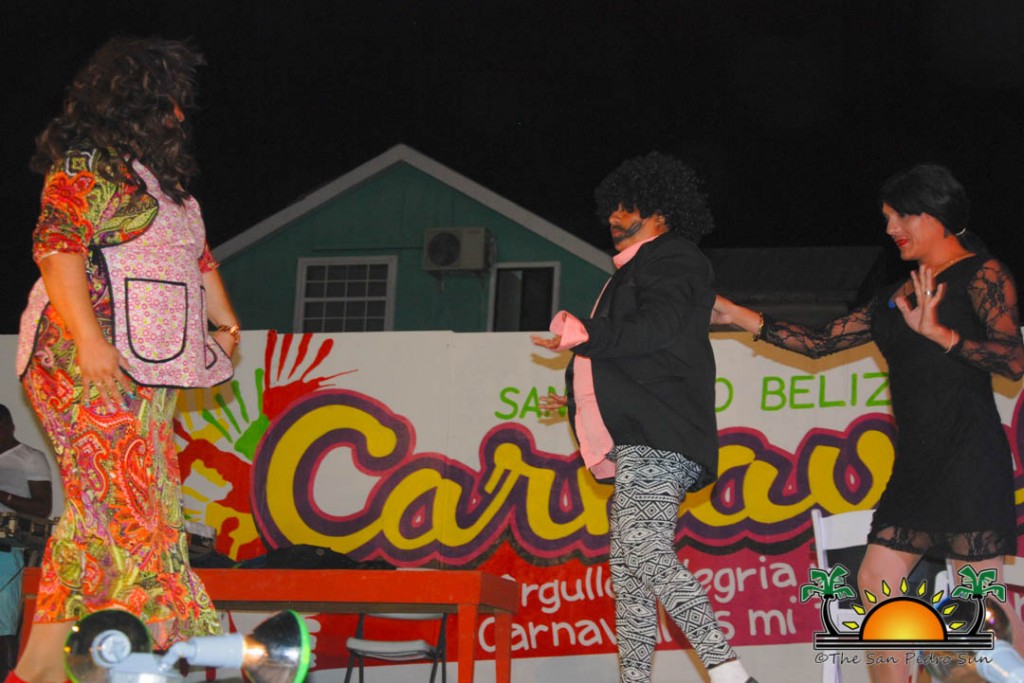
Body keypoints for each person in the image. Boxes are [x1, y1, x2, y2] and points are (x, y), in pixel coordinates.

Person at [712, 163, 1024, 682]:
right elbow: (821, 342)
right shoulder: (897, 294)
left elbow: (1013, 359)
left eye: (899, 216)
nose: (890, 228)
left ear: (934, 215)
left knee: (980, 611)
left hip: (970, 459)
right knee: (877, 582)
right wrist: (737, 314)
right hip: (917, 469)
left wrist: (940, 334)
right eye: (887, 218)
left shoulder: (983, 274)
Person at [11, 37, 241, 683]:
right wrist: (89, 339)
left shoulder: (163, 187)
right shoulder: (87, 167)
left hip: (148, 369)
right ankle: (151, 657)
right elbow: (57, 248)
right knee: (139, 509)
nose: (179, 114)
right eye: (170, 101)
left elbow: (199, 259)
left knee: (103, 517)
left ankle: (38, 671)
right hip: (82, 360)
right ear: (135, 101)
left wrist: (224, 323)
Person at [531, 152, 757, 683]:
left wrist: (583, 332)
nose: (614, 217)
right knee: (629, 574)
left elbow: (657, 330)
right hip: (642, 435)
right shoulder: (635, 269)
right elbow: (638, 360)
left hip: (661, 434)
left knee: (642, 547)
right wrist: (577, 401)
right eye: (610, 207)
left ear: (659, 211)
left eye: (626, 207)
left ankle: (728, 671)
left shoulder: (673, 257)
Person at [0, 405, 53, 680]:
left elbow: (43, 508)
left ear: (10, 427)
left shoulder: (29, 458)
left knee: (4, 625)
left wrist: (3, 496)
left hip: (6, 549)